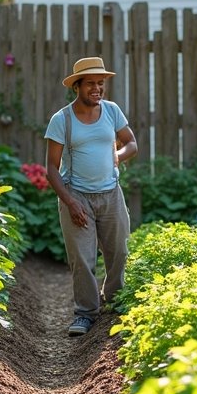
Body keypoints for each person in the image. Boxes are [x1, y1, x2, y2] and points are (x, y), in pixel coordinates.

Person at [45, 57, 138, 336]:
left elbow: (131, 143)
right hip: (77, 195)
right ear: (77, 86)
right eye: (90, 84)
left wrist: (117, 155)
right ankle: (85, 313)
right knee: (83, 260)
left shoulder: (112, 111)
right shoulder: (62, 120)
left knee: (119, 252)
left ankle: (115, 302)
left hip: (111, 193)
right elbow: (51, 169)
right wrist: (70, 202)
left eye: (101, 83)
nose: (97, 89)